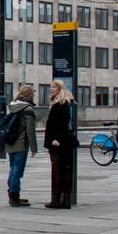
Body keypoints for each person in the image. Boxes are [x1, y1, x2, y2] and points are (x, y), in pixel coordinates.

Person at [45, 80, 79, 209]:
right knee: (64, 171)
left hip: (59, 143)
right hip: (64, 142)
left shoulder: (61, 104)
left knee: (58, 171)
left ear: (60, 89)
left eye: (53, 87)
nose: (51, 89)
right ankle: (65, 200)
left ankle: (57, 200)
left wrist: (56, 138)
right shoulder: (62, 103)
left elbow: (62, 123)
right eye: (50, 86)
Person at [4, 85, 39, 207]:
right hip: (20, 144)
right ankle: (14, 197)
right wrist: (34, 148)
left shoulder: (14, 105)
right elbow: (30, 130)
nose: (34, 95)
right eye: (33, 93)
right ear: (29, 95)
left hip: (10, 143)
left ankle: (14, 195)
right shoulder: (28, 108)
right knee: (17, 170)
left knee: (13, 169)